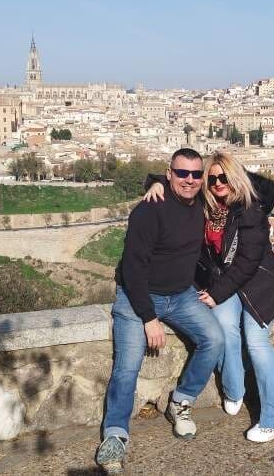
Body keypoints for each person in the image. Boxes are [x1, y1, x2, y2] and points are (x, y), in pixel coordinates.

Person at [144, 152, 274, 442]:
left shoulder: (250, 208)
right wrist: (155, 183)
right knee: (222, 328)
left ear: (235, 177)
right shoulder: (207, 204)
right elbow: (178, 179)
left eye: (223, 177)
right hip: (226, 283)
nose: (217, 183)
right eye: (211, 178)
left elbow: (248, 263)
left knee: (256, 342)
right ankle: (234, 388)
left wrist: (215, 294)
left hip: (259, 285)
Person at [96, 148, 225, 474]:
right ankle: (115, 435)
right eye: (182, 173)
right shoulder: (148, 211)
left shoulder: (200, 202)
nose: (190, 180)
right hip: (138, 297)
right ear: (169, 174)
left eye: (197, 175)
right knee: (127, 366)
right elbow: (133, 268)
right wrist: (149, 318)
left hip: (181, 295)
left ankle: (181, 402)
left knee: (214, 339)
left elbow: (240, 188)